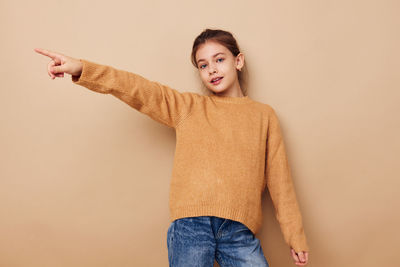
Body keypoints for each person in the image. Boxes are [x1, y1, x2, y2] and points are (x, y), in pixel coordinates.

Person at [34, 28, 310, 266]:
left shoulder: (264, 116)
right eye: (203, 65)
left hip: (239, 231)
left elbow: (280, 181)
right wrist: (83, 68)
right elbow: (138, 89)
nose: (212, 69)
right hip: (191, 226)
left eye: (219, 59)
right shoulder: (188, 107)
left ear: (238, 61)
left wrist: (294, 235)